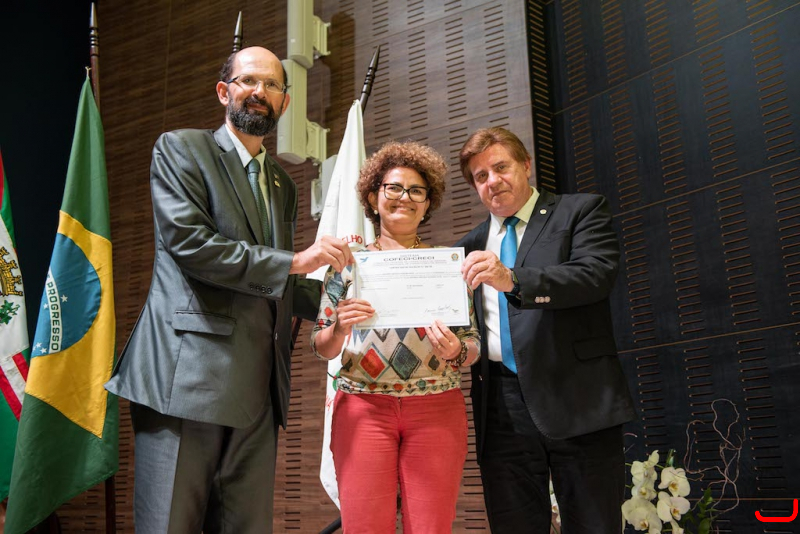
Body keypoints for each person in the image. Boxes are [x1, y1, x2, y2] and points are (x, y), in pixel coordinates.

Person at [105, 46, 353, 533]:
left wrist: (347, 295)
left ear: (284, 103)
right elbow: (192, 246)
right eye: (248, 81)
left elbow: (273, 282)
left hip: (259, 389)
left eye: (273, 85)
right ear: (224, 91)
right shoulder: (181, 149)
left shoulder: (282, 183)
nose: (260, 91)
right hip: (186, 379)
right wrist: (296, 261)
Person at [456, 127, 637, 533]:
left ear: (525, 165)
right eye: (480, 176)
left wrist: (513, 279)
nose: (492, 181)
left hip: (577, 395)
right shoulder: (466, 248)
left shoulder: (579, 211)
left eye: (500, 167)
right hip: (500, 407)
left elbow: (595, 275)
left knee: (594, 525)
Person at [311, 141, 481, 533]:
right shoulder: (347, 266)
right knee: (365, 526)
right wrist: (339, 328)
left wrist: (457, 350)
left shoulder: (447, 266)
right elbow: (321, 345)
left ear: (427, 203)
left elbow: (472, 343)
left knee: (431, 527)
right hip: (362, 409)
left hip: (437, 409)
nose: (404, 197)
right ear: (373, 197)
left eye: (416, 191)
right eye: (394, 188)